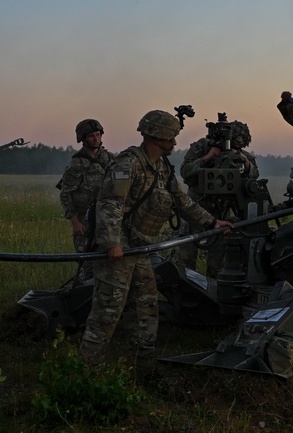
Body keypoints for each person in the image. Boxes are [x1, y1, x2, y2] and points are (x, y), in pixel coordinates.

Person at [78, 110, 235, 364]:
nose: (174, 142)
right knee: (108, 310)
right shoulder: (128, 164)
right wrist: (111, 244)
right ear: (157, 135)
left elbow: (182, 201)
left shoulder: (162, 167)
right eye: (171, 136)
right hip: (120, 248)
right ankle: (86, 367)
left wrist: (212, 222)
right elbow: (110, 204)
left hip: (140, 248)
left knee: (146, 304)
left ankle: (141, 359)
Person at [174, 118, 259, 276]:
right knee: (187, 255)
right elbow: (185, 171)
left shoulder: (242, 156)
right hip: (196, 205)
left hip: (222, 210)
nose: (234, 149)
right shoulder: (204, 147)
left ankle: (214, 290)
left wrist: (246, 163)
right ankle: (186, 292)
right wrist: (207, 158)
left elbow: (254, 176)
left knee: (218, 260)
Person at [57, 119, 114, 284]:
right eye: (91, 136)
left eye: (98, 135)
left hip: (107, 219)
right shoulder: (76, 164)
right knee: (88, 266)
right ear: (83, 138)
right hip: (85, 221)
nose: (96, 138)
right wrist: (75, 222)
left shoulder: (110, 159)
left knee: (110, 262)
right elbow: (66, 194)